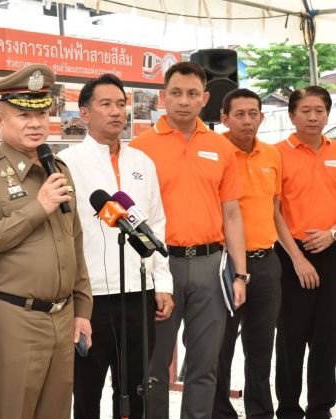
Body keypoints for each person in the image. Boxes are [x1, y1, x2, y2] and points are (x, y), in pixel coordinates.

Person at [0, 64, 93, 419]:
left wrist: (82, 310)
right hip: (15, 319)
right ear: (0, 121)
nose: (35, 123)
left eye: (42, 114)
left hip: (63, 318)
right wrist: (37, 208)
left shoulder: (57, 169)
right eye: (23, 115)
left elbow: (74, 243)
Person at [130, 62, 248, 419]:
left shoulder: (221, 148)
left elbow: (232, 215)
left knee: (205, 363)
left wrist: (240, 275)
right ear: (162, 97)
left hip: (211, 267)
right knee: (152, 366)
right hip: (160, 266)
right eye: (177, 93)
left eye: (193, 94)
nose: (184, 101)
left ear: (205, 99)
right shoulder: (139, 148)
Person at [57, 73, 173, 419]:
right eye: (105, 104)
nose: (116, 111)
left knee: (135, 389)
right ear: (84, 113)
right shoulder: (67, 163)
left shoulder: (142, 162)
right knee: (87, 391)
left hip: (139, 293)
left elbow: (156, 223)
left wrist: (163, 284)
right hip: (90, 298)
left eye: (121, 104)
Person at [212, 88, 282, 419]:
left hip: (267, 262)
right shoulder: (214, 153)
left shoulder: (272, 155)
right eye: (239, 114)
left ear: (262, 117)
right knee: (220, 348)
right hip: (225, 265)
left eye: (253, 114)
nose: (247, 120)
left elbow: (275, 208)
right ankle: (220, 413)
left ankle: (260, 413)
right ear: (224, 118)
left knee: (261, 347)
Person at [273, 85, 335, 419]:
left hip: (331, 250)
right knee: (290, 338)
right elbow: (272, 210)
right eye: (306, 111)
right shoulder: (276, 154)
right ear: (292, 115)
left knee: (328, 336)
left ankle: (321, 409)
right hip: (289, 256)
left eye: (319, 111)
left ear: (327, 114)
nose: (313, 117)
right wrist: (297, 259)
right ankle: (288, 409)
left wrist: (332, 234)